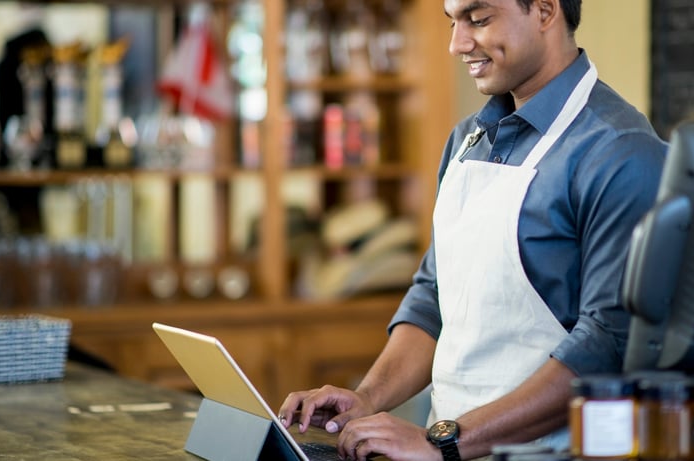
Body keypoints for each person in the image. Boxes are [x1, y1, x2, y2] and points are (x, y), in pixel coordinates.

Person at [278, 0, 668, 459]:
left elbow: (609, 345)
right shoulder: (468, 139)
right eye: (453, 22)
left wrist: (447, 440)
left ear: (545, 11)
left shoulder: (620, 153)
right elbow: (433, 297)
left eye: (478, 20)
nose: (457, 44)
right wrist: (368, 397)